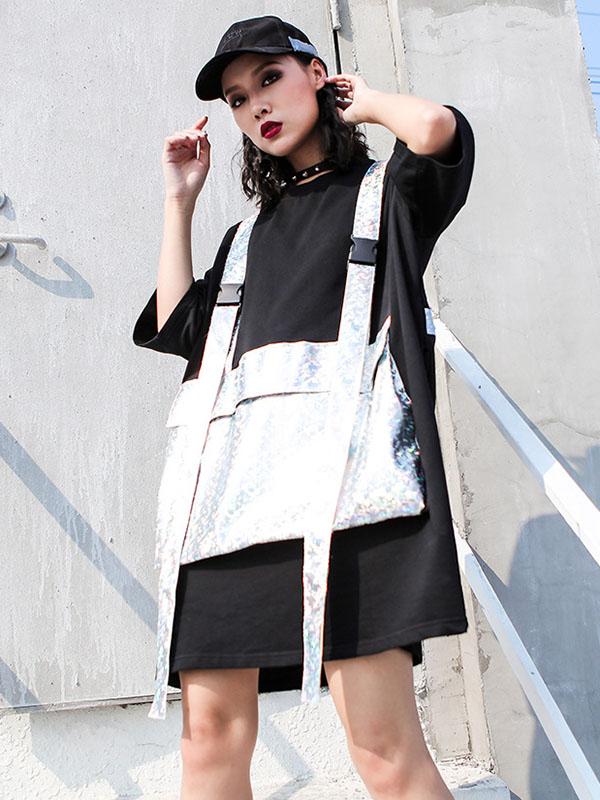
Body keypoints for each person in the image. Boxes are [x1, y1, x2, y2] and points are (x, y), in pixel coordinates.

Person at [132, 14, 475, 800]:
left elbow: (435, 130)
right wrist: (179, 202)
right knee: (207, 739)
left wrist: (365, 101)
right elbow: (180, 329)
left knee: (382, 747)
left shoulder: (386, 197)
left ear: (316, 74)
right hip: (229, 508)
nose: (255, 104)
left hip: (352, 501)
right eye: (236, 97)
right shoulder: (245, 237)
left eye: (270, 78)